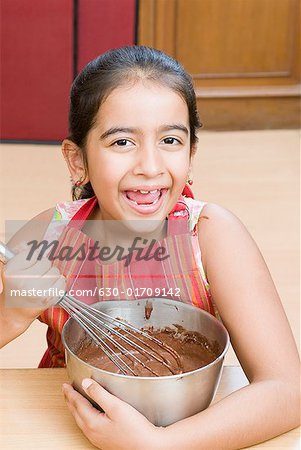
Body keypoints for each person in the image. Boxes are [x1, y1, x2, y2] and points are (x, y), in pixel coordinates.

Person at [0, 46, 299, 449]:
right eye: (122, 142)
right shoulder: (48, 237)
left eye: (171, 139)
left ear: (191, 155)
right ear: (77, 161)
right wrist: (11, 313)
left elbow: (288, 391)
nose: (150, 165)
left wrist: (159, 446)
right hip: (69, 426)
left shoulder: (211, 236)